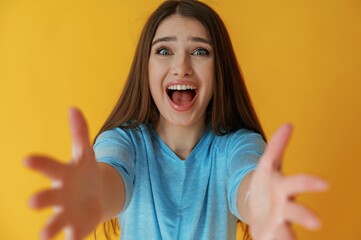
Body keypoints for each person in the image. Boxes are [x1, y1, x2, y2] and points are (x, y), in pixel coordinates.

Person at [24, 0, 328, 239]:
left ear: (218, 70)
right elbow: (111, 177)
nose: (181, 67)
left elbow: (247, 181)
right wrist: (95, 195)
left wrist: (258, 203)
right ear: (145, 68)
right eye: (164, 50)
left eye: (200, 51)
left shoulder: (237, 145)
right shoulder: (124, 141)